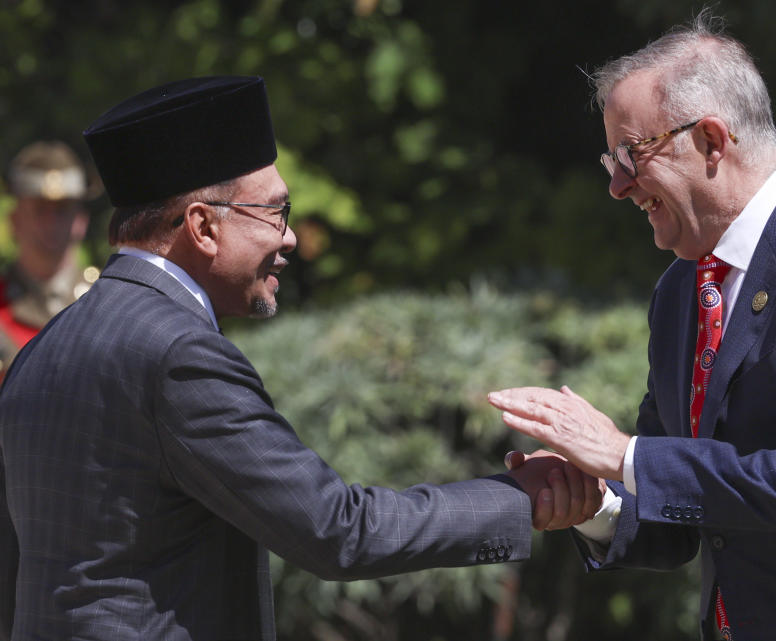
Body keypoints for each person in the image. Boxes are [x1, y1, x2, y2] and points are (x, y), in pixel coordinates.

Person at [0, 76, 602, 640]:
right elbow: (338, 531)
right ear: (203, 226)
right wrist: (521, 497)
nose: (289, 237)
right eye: (275, 213)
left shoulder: (44, 350)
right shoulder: (178, 355)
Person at [487, 15, 776, 641]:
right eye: (611, 159)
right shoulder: (680, 291)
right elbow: (682, 517)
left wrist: (625, 456)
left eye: (633, 154)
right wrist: (595, 500)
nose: (617, 185)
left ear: (712, 140)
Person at [0, 140, 98, 376]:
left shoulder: (106, 301)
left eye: (62, 210)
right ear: (14, 220)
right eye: (39, 210)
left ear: (81, 221)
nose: (51, 223)